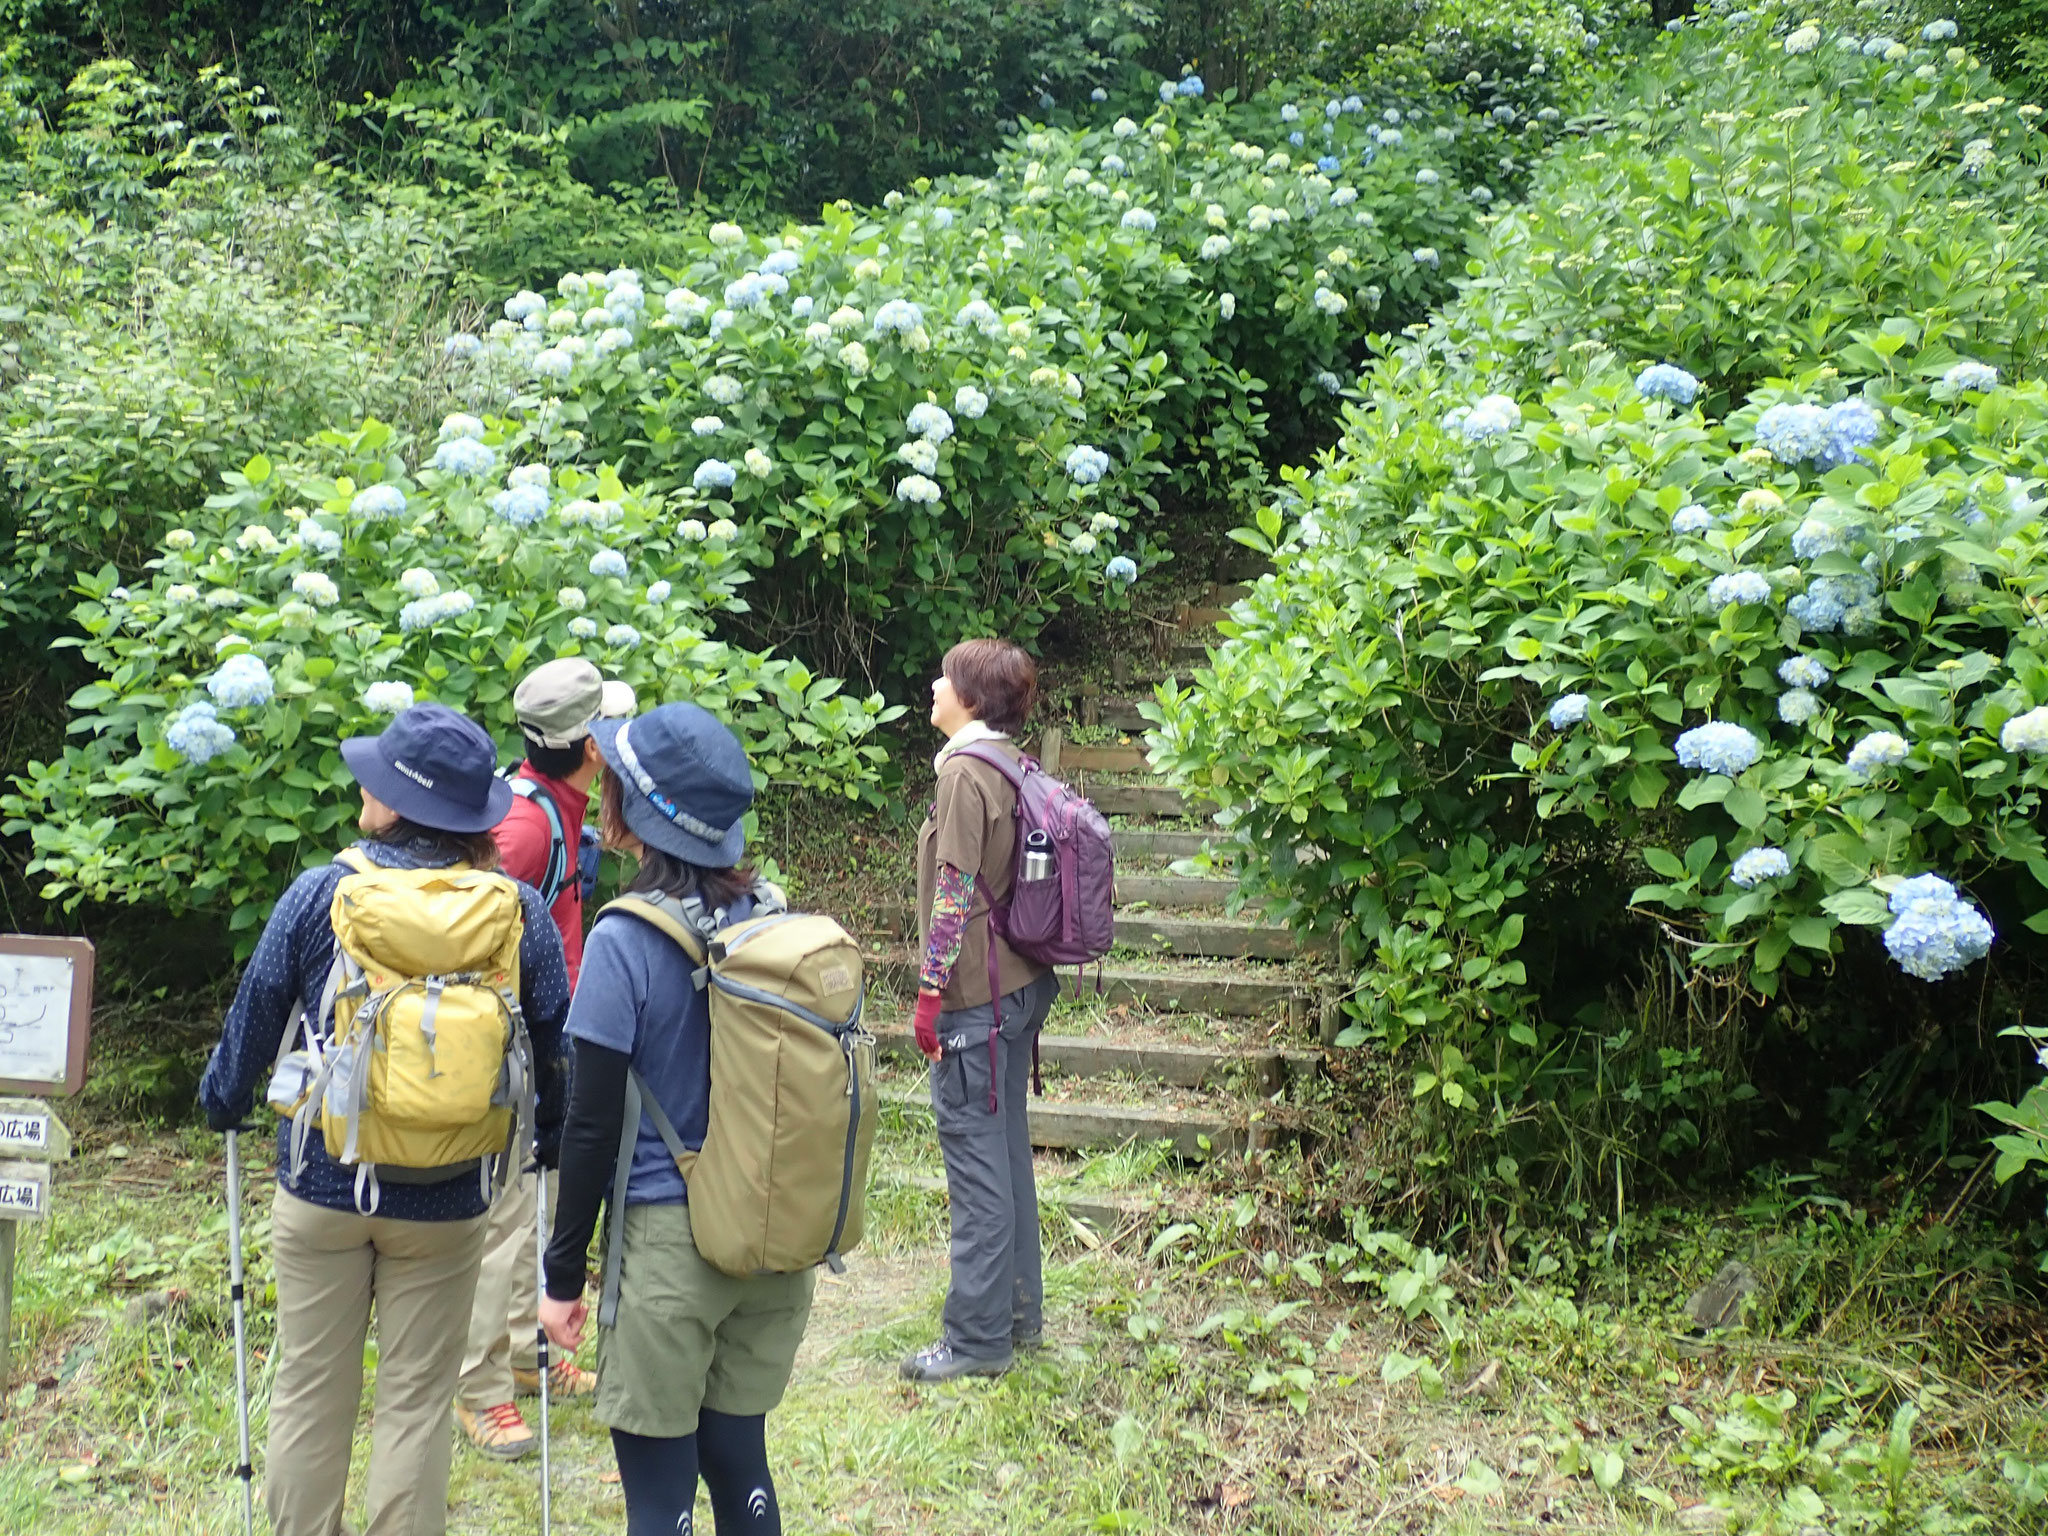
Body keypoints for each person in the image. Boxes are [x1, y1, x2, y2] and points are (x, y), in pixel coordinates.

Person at [199, 702, 570, 1536]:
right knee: (415, 1403)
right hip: (448, 1201)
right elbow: (554, 1048)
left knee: (308, 1391)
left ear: (397, 802)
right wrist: (545, 1144)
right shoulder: (515, 911)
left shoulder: (321, 895)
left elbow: (254, 1021)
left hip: (324, 1186)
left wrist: (221, 1100)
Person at [539, 702, 813, 1536]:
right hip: (769, 1236)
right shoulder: (771, 910)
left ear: (637, 810)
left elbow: (589, 1126)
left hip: (669, 1249)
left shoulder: (625, 940)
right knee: (742, 1465)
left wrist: (560, 1280)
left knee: (660, 1502)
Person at [454, 658, 634, 1458]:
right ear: (591, 746)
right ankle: (479, 1389)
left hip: (544, 1044)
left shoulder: (556, 807)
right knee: (502, 1223)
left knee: (535, 1212)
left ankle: (529, 1355)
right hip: (504, 1050)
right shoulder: (525, 828)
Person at [900, 638, 1059, 1382]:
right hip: (1019, 985)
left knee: (976, 1166)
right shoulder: (1011, 762)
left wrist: (930, 995)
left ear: (971, 698)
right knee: (1005, 1160)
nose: (934, 683)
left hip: (977, 996)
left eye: (947, 676)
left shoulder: (966, 773)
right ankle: (1017, 1318)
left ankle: (975, 1340)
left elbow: (955, 892)